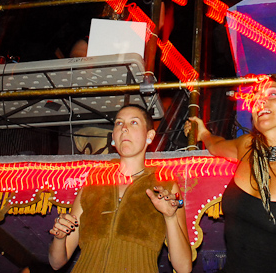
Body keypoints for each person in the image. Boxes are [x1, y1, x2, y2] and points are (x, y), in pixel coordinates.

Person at [186, 75, 276, 273]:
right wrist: (203, 133)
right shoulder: (247, 146)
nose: (260, 100)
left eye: (273, 94)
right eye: (256, 97)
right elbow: (216, 145)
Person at [49, 104, 192, 273]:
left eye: (134, 123)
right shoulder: (94, 182)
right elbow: (56, 262)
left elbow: (184, 267)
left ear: (150, 136)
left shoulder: (164, 184)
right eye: (119, 123)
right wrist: (59, 237)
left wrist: (170, 217)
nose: (124, 128)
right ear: (113, 138)